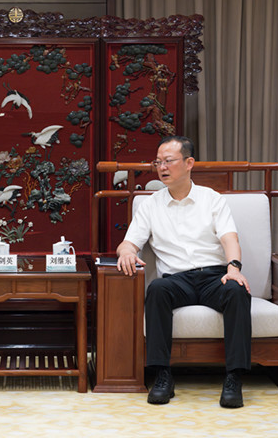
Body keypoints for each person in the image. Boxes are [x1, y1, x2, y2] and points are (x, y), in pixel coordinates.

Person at [116, 136, 251, 408]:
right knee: (156, 289)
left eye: (168, 161)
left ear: (189, 163)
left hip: (214, 277)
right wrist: (127, 252)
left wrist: (234, 267)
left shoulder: (211, 199)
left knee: (237, 290)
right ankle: (162, 376)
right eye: (158, 162)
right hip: (177, 281)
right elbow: (127, 244)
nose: (162, 167)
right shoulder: (150, 204)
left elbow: (230, 238)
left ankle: (234, 378)